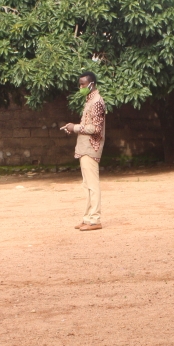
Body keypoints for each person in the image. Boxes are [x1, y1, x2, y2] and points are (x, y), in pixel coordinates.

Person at [60, 71, 106, 231]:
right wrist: (73, 128)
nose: (81, 87)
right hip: (85, 147)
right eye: (80, 84)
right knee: (87, 185)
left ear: (91, 84)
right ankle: (87, 218)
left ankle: (95, 220)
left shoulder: (97, 102)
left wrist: (75, 127)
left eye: (83, 84)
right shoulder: (90, 101)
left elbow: (96, 129)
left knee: (92, 185)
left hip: (91, 148)